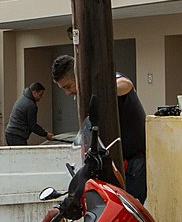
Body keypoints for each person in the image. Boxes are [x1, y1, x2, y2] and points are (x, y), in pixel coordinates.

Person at [51, 54, 147, 203]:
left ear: (78, 77)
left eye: (68, 87)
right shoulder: (84, 98)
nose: (67, 93)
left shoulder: (108, 81)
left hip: (135, 160)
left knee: (128, 205)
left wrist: (100, 90)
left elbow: (126, 84)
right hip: (114, 163)